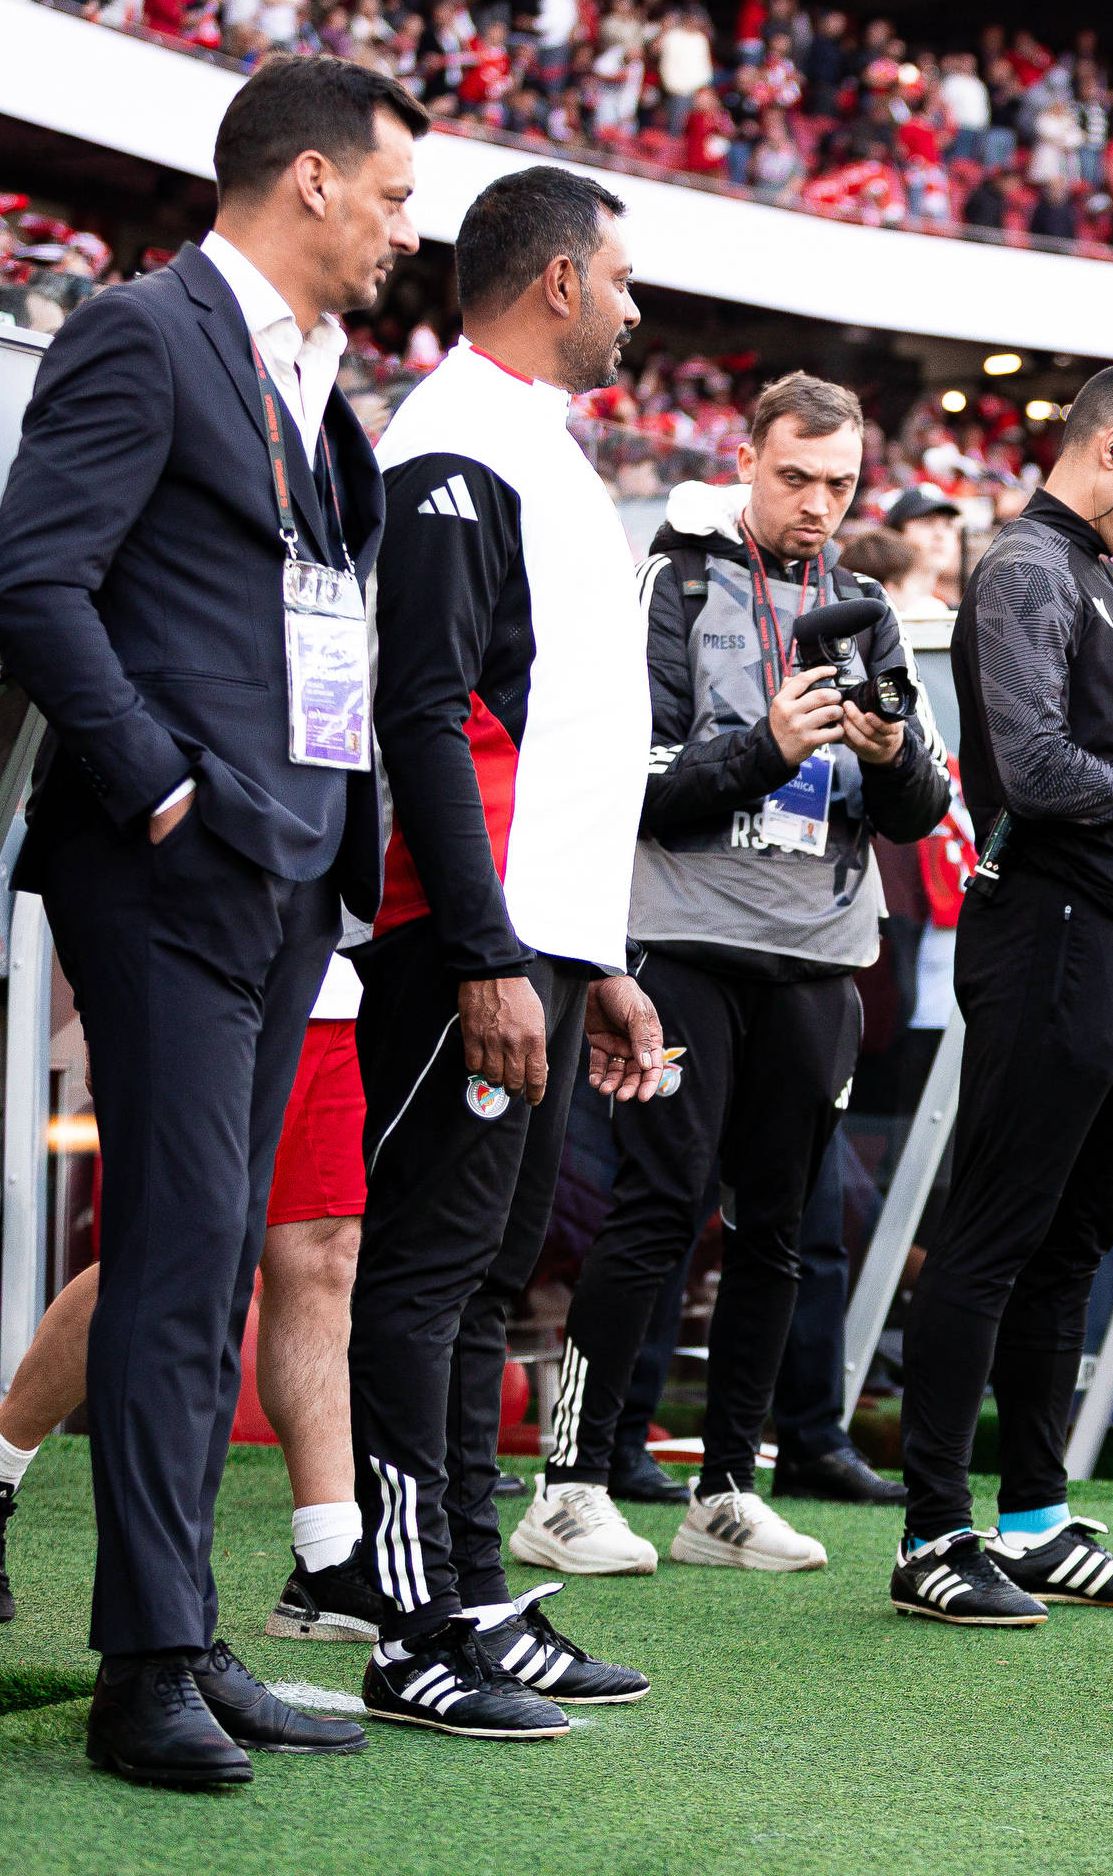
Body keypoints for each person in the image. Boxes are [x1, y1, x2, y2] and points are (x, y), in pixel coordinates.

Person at [0, 54, 426, 1787]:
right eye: (394, 195)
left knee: (211, 1257)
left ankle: (185, 1635)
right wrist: (163, 787)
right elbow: (34, 576)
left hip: (279, 878)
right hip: (169, 870)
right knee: (179, 1260)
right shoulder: (145, 331)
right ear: (310, 180)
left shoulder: (316, 390)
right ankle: (144, 1663)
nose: (410, 230)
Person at [522, 372, 945, 1577]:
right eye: (796, 478)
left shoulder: (863, 602)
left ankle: (724, 1488)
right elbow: (634, 785)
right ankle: (568, 1484)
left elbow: (919, 811)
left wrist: (892, 746)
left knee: (779, 1228)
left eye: (840, 484)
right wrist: (768, 746)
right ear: (747, 462)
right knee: (656, 1210)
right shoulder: (675, 582)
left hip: (817, 956)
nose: (818, 505)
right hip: (684, 944)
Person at [351, 166, 668, 1743]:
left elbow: (562, 736)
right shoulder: (452, 444)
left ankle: (469, 1595)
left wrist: (589, 953)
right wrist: (485, 949)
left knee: (484, 1274)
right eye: (619, 277)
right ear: (555, 279)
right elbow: (428, 712)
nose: (633, 303)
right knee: (427, 1274)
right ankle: (406, 1623)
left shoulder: (526, 443)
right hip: (457, 936)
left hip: (528, 933)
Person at [891, 362, 1113, 1630]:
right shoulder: (1027, 567)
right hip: (1047, 929)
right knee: (990, 1237)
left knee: (1068, 1238)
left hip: (1108, 936)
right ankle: (929, 1534)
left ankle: (1029, 1517)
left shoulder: (1086, 578)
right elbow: (1029, 771)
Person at [0, 972, 385, 1646]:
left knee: (326, 1252)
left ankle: (328, 1559)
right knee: (174, 1246)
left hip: (344, 975)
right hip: (212, 964)